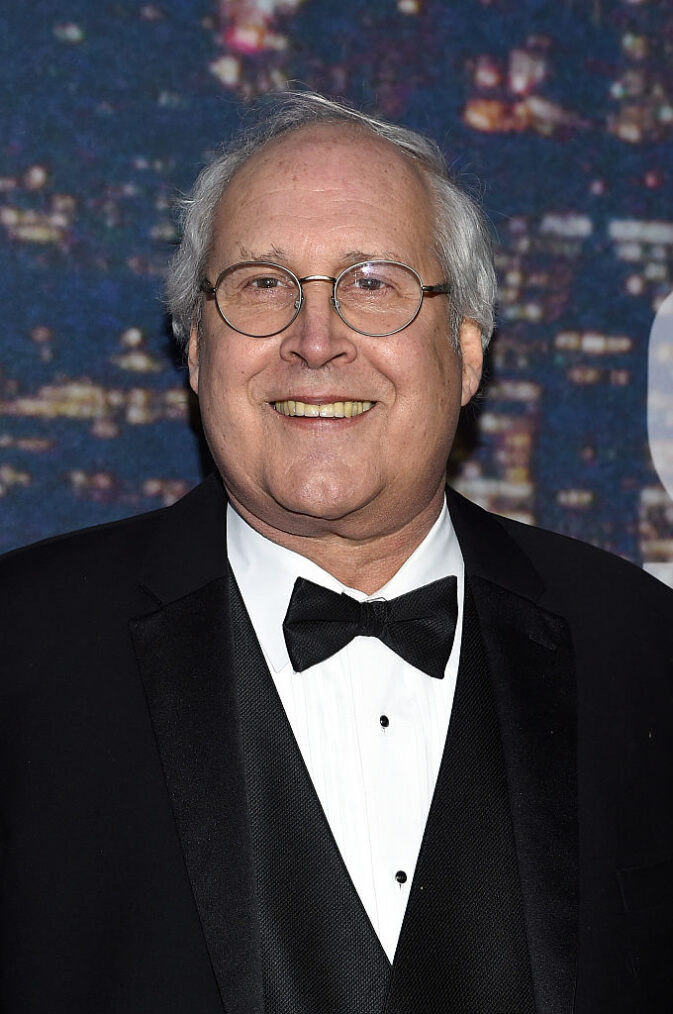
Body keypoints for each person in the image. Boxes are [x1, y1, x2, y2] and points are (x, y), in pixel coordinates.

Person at [1, 92, 671, 1014]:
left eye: (372, 283)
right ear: (195, 352)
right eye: (262, 285)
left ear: (467, 353)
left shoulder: (639, 646)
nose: (314, 343)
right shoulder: (22, 652)